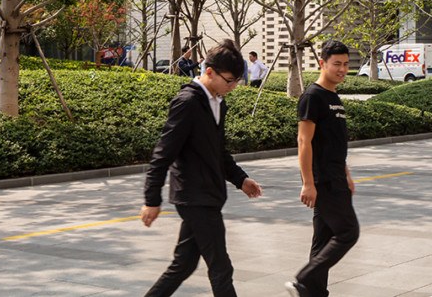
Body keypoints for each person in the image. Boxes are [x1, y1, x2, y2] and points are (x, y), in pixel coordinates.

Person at [141, 40, 263, 297]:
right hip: (194, 196)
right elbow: (163, 153)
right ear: (209, 71)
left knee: (183, 264)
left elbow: (218, 151)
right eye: (229, 81)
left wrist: (240, 179)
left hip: (208, 194)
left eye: (236, 81)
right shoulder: (187, 102)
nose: (233, 86)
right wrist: (151, 199)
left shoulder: (218, 102)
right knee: (221, 267)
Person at [288, 41, 359, 297]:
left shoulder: (333, 97)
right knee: (348, 232)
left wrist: (347, 175)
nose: (342, 69)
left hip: (336, 177)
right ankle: (304, 279)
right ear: (322, 63)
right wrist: (308, 183)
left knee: (323, 240)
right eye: (336, 64)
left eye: (346, 64)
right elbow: (303, 141)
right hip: (325, 181)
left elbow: (334, 144)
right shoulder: (313, 96)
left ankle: (312, 293)